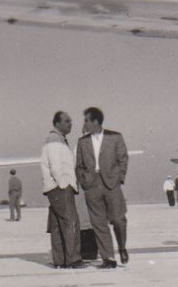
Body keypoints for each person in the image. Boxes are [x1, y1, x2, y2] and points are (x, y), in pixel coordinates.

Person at [75, 106, 129, 267]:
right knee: (98, 222)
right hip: (92, 185)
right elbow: (78, 165)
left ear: (96, 121)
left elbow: (123, 159)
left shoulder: (115, 137)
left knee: (118, 219)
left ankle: (122, 247)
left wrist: (119, 178)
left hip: (111, 183)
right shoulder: (82, 142)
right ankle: (109, 258)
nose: (84, 123)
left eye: (87, 120)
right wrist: (84, 181)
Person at [38, 111, 84, 269]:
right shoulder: (55, 142)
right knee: (71, 222)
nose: (70, 124)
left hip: (54, 188)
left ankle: (60, 260)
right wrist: (65, 185)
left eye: (70, 121)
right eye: (66, 121)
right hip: (60, 188)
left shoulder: (57, 141)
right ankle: (73, 259)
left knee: (57, 225)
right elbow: (56, 167)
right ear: (57, 123)